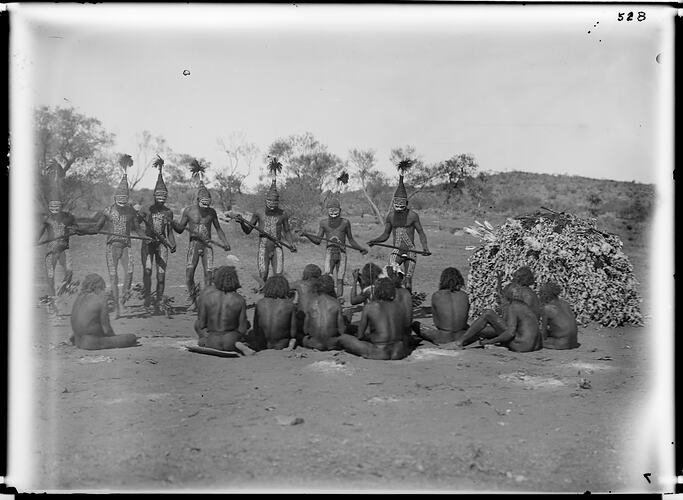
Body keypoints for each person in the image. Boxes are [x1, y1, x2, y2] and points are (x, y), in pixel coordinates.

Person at [91, 154, 149, 318]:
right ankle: (117, 307)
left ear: (127, 198)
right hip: (112, 247)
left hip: (126, 247)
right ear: (115, 197)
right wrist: (83, 229)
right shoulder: (108, 210)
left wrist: (146, 237)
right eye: (120, 197)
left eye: (125, 197)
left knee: (129, 274)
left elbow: (138, 229)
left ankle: (122, 302)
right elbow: (97, 226)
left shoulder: (131, 211)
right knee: (114, 277)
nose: (122, 199)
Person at [172, 160, 230, 311]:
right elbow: (179, 229)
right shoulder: (188, 211)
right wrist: (171, 222)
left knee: (208, 276)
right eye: (203, 203)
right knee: (189, 276)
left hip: (208, 247)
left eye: (208, 203)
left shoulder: (212, 212)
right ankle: (194, 300)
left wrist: (225, 242)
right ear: (198, 200)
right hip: (193, 246)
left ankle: (206, 302)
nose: (206, 206)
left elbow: (218, 229)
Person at [367, 160, 430, 291]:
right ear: (394, 203)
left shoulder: (413, 216)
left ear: (406, 204)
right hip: (397, 251)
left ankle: (408, 302)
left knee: (408, 280)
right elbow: (385, 235)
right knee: (392, 276)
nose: (399, 209)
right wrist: (375, 240)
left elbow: (421, 233)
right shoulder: (390, 216)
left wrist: (425, 248)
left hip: (411, 251)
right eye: (397, 206)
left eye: (402, 206)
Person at [235, 158, 297, 283]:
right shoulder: (259, 213)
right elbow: (248, 231)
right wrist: (242, 222)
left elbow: (287, 231)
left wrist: (291, 243)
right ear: (266, 201)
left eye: (275, 202)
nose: (272, 204)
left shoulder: (283, 214)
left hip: (278, 247)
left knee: (278, 277)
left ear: (278, 202)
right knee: (263, 276)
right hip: (263, 248)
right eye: (270, 202)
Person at [37, 162, 83, 311]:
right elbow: (39, 233)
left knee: (69, 271)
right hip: (51, 252)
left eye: (57, 207)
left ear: (61, 206)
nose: (55, 209)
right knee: (50, 277)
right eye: (52, 207)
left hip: (64, 250)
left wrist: (76, 230)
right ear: (49, 207)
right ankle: (52, 303)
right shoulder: (47, 219)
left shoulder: (68, 217)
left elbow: (77, 227)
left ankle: (62, 288)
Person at [300, 196, 367, 298]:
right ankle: (329, 298)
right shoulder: (323, 223)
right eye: (331, 210)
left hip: (342, 253)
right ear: (327, 211)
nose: (333, 212)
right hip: (329, 253)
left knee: (340, 279)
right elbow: (318, 240)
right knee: (328, 277)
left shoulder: (345, 223)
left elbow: (351, 240)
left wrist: (360, 248)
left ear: (340, 210)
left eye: (336, 210)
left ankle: (339, 299)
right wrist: (307, 234)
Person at [452, 282, 541, 353]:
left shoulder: (513, 306)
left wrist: (490, 341)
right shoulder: (524, 307)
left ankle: (459, 342)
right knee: (488, 328)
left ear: (507, 297)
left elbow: (510, 333)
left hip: (521, 346)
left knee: (488, 313)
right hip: (533, 346)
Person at [139, 156, 177, 314]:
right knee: (147, 272)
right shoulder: (146, 209)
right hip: (148, 244)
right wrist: (143, 236)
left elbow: (169, 232)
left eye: (164, 196)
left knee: (161, 276)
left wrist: (173, 243)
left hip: (162, 246)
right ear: (154, 196)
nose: (161, 199)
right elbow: (136, 226)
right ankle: (147, 300)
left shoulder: (168, 212)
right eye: (159, 196)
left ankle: (159, 302)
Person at [338, 278, 411, 360]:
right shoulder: (399, 306)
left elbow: (360, 336)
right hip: (399, 351)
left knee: (344, 338)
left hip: (379, 352)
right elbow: (405, 328)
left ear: (377, 291)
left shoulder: (370, 307)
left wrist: (371, 337)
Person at [194, 266, 255, 355]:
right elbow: (242, 329)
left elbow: (201, 324)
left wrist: (205, 335)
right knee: (247, 331)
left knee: (198, 326)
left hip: (212, 342)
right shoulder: (239, 299)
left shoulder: (207, 298)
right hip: (231, 341)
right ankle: (239, 345)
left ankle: (204, 341)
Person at [70, 273, 138, 350]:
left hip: (78, 341)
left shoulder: (78, 298)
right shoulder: (101, 298)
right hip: (91, 342)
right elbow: (106, 329)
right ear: (99, 285)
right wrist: (114, 339)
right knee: (131, 337)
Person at [412, 267, 470, 345]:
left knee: (415, 324)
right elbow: (465, 319)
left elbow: (437, 324)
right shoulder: (464, 295)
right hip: (462, 336)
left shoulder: (437, 295)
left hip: (443, 338)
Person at [250, 275, 297, 351]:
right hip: (282, 344)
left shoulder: (260, 303)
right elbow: (293, 333)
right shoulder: (289, 305)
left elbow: (256, 329)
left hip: (262, 344)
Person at [301, 275, 345, 351]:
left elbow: (305, 330)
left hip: (314, 343)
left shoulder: (310, 303)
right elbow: (342, 331)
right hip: (332, 344)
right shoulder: (336, 303)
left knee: (302, 338)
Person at [539, 282, 579, 349]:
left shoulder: (547, 308)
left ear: (545, 295)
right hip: (574, 342)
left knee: (536, 340)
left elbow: (544, 333)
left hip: (561, 344)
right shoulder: (565, 304)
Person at [291, 264, 323, 340]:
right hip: (318, 320)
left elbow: (284, 287)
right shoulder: (322, 284)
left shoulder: (300, 284)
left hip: (303, 321)